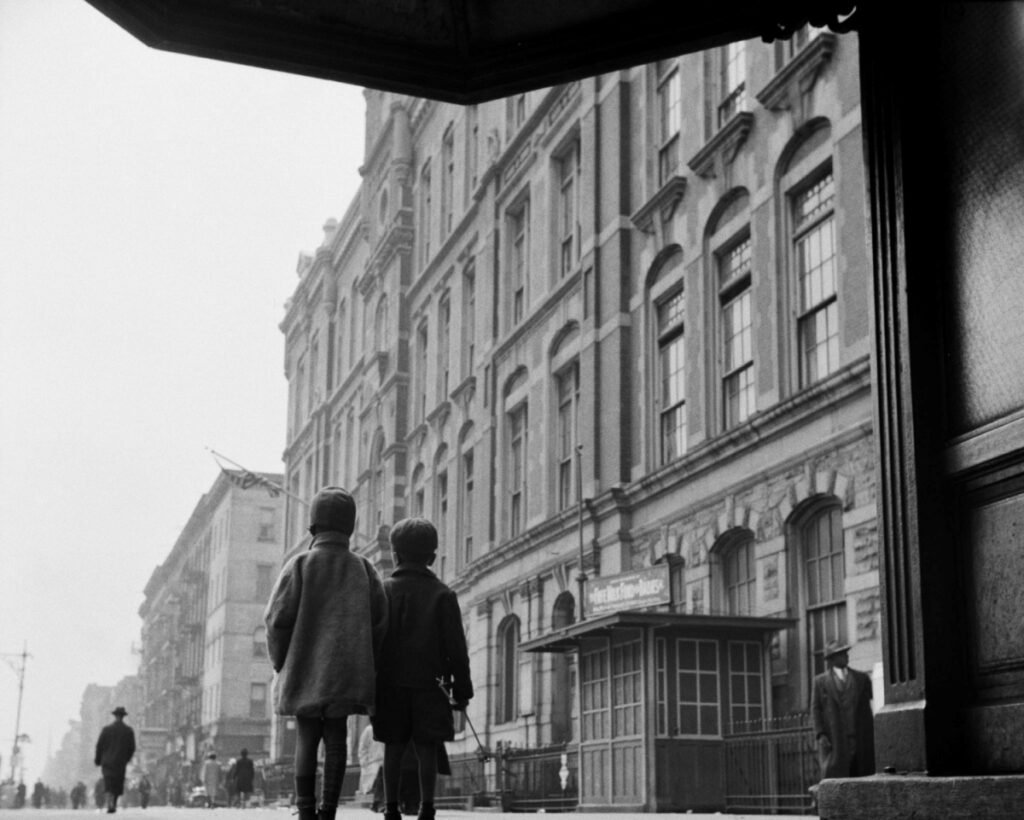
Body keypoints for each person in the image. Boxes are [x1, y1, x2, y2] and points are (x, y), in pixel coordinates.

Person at [264, 486, 388, 820]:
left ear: (312, 527)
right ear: (350, 527)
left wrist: (281, 662)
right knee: (336, 735)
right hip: (347, 672)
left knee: (306, 735)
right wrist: (368, 663)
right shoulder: (364, 569)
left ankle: (305, 809)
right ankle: (328, 810)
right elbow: (381, 623)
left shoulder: (299, 565)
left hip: (304, 669)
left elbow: (275, 620)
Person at [371, 517, 474, 820]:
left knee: (393, 746)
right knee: (427, 747)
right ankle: (427, 808)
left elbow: (373, 641)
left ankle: (391, 809)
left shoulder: (383, 591)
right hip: (432, 686)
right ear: (432, 557)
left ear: (395, 555)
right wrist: (462, 691)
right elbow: (457, 649)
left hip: (390, 686)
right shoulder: (444, 595)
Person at [811, 640, 876, 783]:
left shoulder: (861, 678)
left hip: (860, 738)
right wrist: (820, 734)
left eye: (846, 653)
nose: (846, 656)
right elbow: (816, 710)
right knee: (837, 777)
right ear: (832, 660)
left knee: (862, 776)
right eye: (841, 654)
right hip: (836, 740)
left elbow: (874, 699)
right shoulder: (820, 682)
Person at [94, 706, 136, 813]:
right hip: (120, 762)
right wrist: (126, 758)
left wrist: (98, 759)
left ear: (115, 716)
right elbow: (132, 748)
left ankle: (110, 802)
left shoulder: (106, 730)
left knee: (109, 782)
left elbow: (99, 746)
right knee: (118, 782)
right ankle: (114, 803)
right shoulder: (128, 731)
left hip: (107, 761)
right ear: (123, 716)